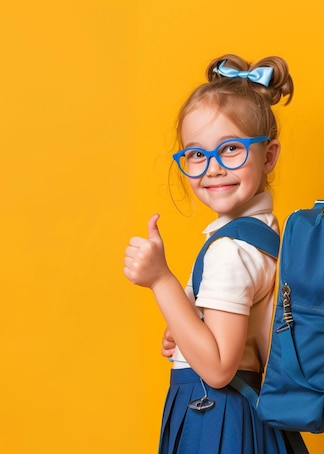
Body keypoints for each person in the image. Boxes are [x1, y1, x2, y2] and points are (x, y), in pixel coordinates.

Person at [124, 54, 307, 453]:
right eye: (195, 154)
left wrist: (162, 281)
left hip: (219, 418)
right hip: (244, 416)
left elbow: (220, 367)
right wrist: (187, 319)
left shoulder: (230, 250)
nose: (212, 168)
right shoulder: (262, 233)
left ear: (268, 155)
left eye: (230, 149)